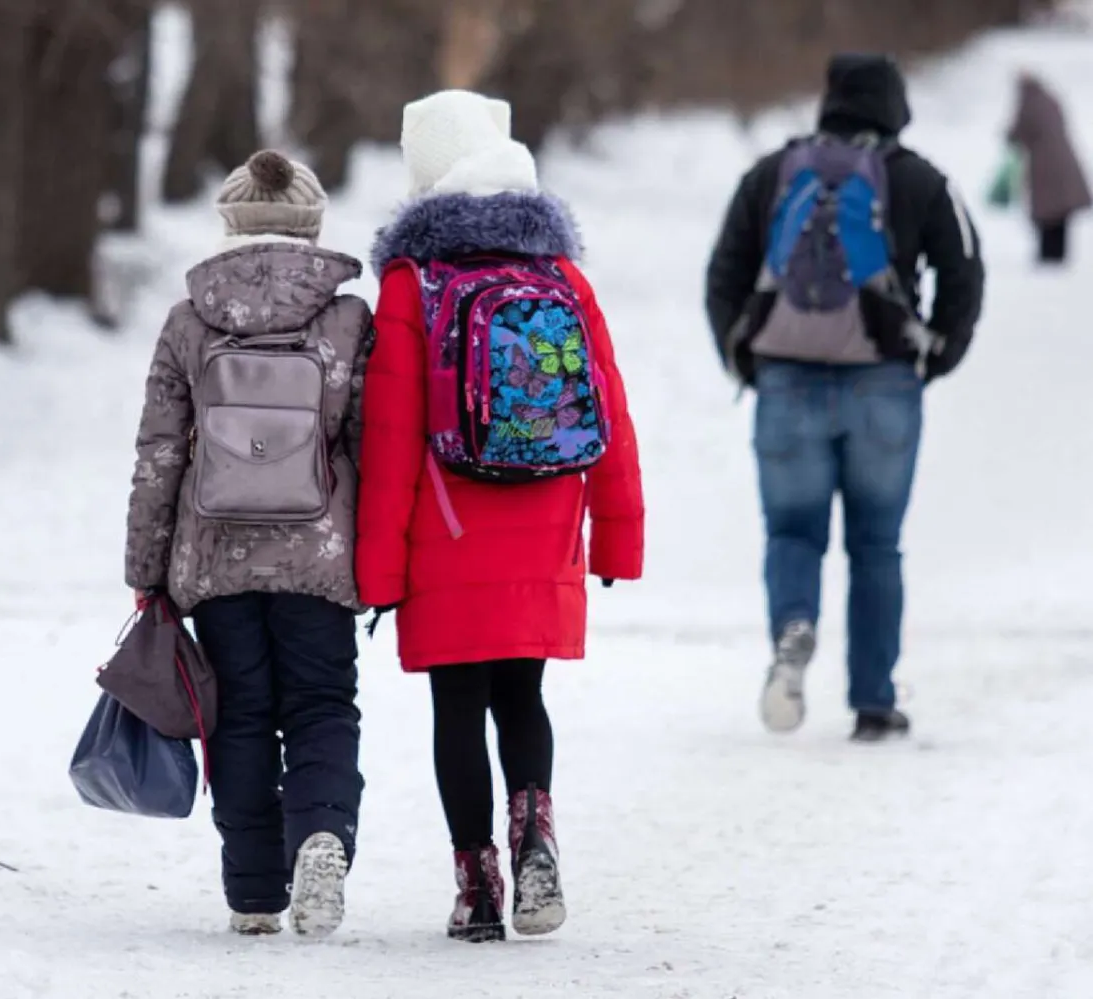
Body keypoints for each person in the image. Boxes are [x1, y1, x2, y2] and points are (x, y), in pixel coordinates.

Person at [358, 90, 645, 942]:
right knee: (523, 694)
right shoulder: (560, 275)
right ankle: (536, 836)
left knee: (458, 706)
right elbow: (611, 414)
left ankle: (477, 882)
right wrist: (618, 534)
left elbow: (390, 439)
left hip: (447, 530)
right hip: (549, 516)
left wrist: (377, 570)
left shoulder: (413, 283)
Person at [124, 150, 372, 938]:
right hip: (320, 557)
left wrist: (145, 569)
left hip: (215, 556)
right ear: (312, 224)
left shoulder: (189, 319)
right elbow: (375, 444)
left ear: (229, 224)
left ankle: (256, 892)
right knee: (322, 704)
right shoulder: (346, 319)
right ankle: (323, 838)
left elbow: (160, 451)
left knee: (238, 717)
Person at [705, 54, 985, 742]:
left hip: (785, 377)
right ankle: (872, 699)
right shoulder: (920, 180)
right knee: (876, 545)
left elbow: (726, 271)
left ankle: (794, 628)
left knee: (793, 532)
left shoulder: (772, 173)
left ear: (829, 101)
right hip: (883, 380)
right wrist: (935, 353)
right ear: (895, 104)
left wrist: (744, 354)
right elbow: (965, 272)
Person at [1008, 72, 1091, 264]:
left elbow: (1017, 132)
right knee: (1060, 213)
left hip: (1044, 166)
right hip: (1065, 163)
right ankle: (1057, 256)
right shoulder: (1049, 100)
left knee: (1047, 213)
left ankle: (1049, 257)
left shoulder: (1029, 104)